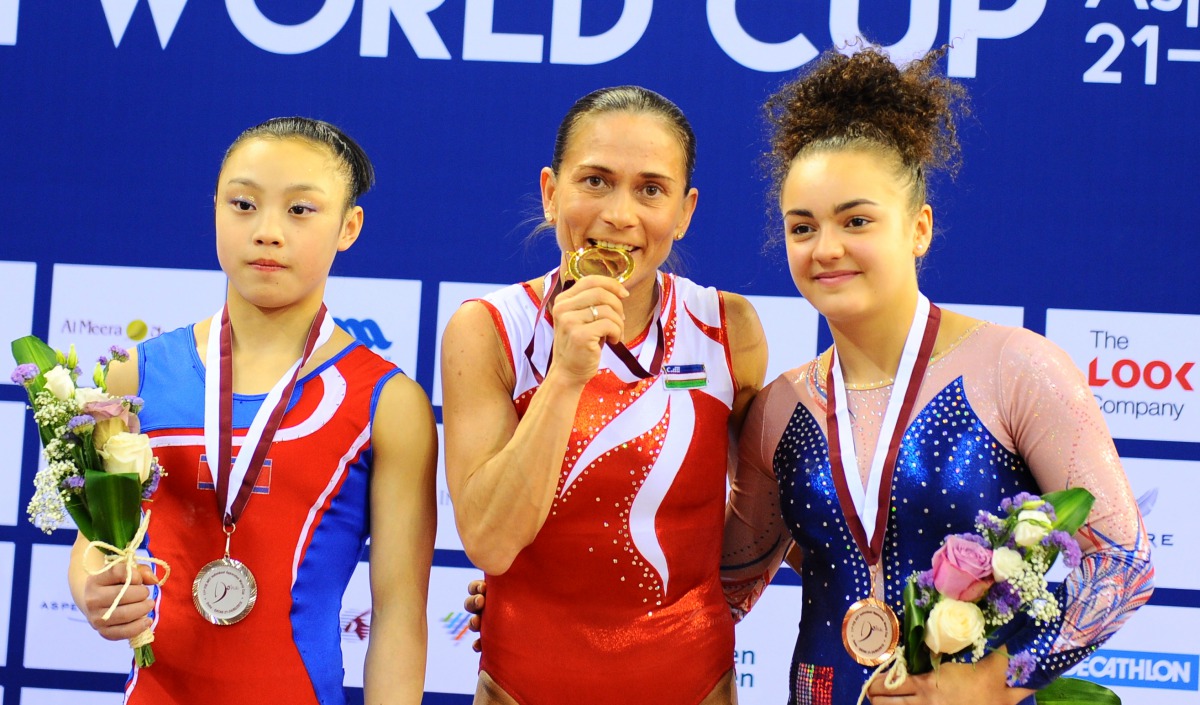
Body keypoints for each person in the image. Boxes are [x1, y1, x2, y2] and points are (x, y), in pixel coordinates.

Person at [720, 47, 1153, 705]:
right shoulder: (778, 407)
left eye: (856, 220)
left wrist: (996, 677)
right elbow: (721, 587)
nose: (826, 248)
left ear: (918, 227)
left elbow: (1122, 562)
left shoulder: (1016, 368)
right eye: (802, 226)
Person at [67, 117, 438, 705]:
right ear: (214, 208)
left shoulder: (388, 402)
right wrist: (93, 588)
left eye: (300, 210)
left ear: (349, 227)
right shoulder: (132, 375)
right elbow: (98, 543)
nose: (267, 231)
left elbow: (398, 613)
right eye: (243, 204)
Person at [440, 86, 767, 704]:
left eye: (651, 189)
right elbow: (487, 539)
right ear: (550, 191)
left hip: (696, 686)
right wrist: (565, 376)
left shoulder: (728, 328)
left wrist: (716, 602)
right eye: (595, 181)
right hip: (521, 687)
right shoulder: (489, 329)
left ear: (685, 209)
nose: (620, 215)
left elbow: (768, 508)